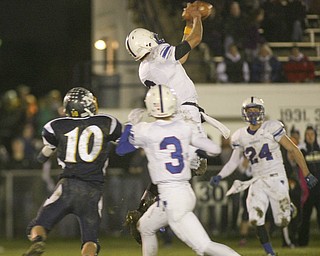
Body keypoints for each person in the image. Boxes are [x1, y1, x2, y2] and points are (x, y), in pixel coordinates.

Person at [116, 84, 241, 256]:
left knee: (204, 247)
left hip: (172, 198)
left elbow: (121, 149)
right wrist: (190, 150)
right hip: (181, 192)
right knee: (145, 227)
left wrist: (131, 124)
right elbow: (215, 149)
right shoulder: (183, 127)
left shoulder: (146, 130)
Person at [210, 96, 318, 256]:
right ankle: (270, 253)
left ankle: (288, 208)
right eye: (249, 110)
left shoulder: (272, 127)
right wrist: (220, 175)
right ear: (244, 113)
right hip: (258, 179)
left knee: (282, 221)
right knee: (254, 218)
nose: (253, 114)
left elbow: (293, 149)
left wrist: (306, 173)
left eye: (256, 110)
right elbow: (233, 162)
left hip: (276, 177)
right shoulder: (240, 136)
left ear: (261, 112)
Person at [22, 87, 122, 256]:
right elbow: (124, 145)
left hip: (67, 185)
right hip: (92, 189)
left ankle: (38, 241)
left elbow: (42, 157)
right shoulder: (107, 123)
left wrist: (41, 156)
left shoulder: (56, 126)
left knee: (39, 224)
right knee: (90, 240)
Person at [125, 4, 211, 174]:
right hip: (185, 111)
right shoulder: (159, 53)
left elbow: (181, 57)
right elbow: (195, 40)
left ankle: (156, 193)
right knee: (197, 165)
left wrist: (187, 26)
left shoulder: (144, 69)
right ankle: (163, 193)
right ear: (146, 41)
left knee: (180, 165)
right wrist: (196, 18)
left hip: (171, 114)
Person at [298, 125, 320, 246]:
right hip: (308, 190)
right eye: (308, 134)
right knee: (305, 218)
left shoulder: (319, 148)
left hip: (319, 190)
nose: (310, 137)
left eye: (312, 134)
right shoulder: (302, 150)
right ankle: (302, 243)